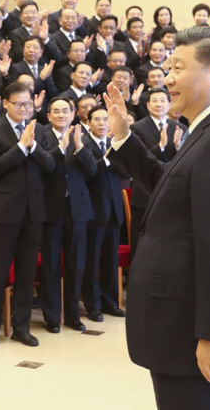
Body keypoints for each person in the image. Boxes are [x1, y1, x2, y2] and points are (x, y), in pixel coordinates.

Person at [104, 26, 210, 409]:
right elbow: (171, 185)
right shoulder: (209, 128)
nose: (168, 78)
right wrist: (125, 139)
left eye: (178, 67)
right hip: (180, 329)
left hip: (200, 338)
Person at [0, 81, 55, 349]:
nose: (24, 108)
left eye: (28, 104)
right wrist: (21, 147)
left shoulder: (40, 131)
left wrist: (33, 147)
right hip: (4, 214)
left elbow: (50, 165)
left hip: (33, 213)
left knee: (25, 274)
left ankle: (21, 327)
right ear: (5, 104)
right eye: (19, 104)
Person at [40, 97, 95, 333]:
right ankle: (52, 316)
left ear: (73, 114)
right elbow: (43, 166)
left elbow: (92, 171)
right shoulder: (41, 135)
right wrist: (60, 148)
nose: (61, 114)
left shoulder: (82, 136)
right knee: (51, 265)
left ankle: (73, 315)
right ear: (49, 115)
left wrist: (80, 148)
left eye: (65, 111)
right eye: (56, 111)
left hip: (77, 209)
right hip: (50, 208)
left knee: (76, 264)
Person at [128, 88, 187, 256]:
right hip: (145, 192)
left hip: (172, 192)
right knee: (142, 243)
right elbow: (137, 158)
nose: (159, 104)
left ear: (169, 104)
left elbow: (188, 160)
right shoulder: (137, 127)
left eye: (163, 100)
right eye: (154, 100)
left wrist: (178, 148)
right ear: (147, 104)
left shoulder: (180, 127)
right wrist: (159, 147)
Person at [82, 106, 127, 322]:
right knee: (91, 262)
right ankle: (92, 306)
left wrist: (118, 155)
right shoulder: (84, 144)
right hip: (93, 212)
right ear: (88, 122)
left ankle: (111, 303)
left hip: (114, 211)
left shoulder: (113, 144)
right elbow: (88, 173)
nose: (102, 123)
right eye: (97, 119)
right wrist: (107, 160)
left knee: (111, 260)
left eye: (105, 120)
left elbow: (127, 173)